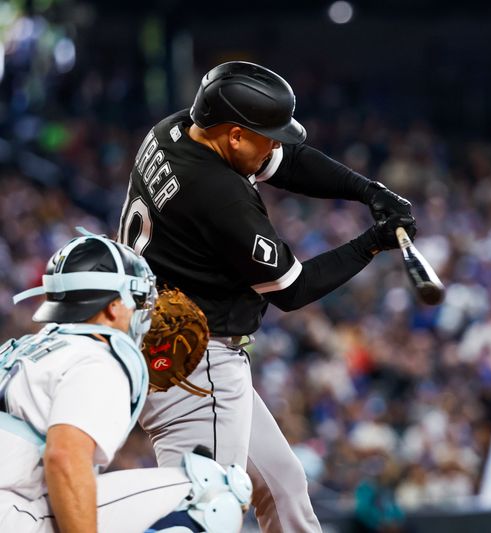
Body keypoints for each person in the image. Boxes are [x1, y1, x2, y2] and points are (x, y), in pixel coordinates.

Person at [117, 61, 417, 532]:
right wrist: (372, 242)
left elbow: (289, 163)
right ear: (235, 134)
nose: (276, 144)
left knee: (283, 487)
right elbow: (293, 290)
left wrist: (367, 191)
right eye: (267, 135)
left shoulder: (175, 129)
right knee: (202, 510)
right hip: (194, 362)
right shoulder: (220, 194)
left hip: (167, 339)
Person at [1, 234, 251, 533]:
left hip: (16, 500)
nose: (143, 312)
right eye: (138, 300)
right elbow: (64, 456)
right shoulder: (96, 357)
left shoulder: (21, 348)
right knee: (215, 489)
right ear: (112, 307)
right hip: (13, 514)